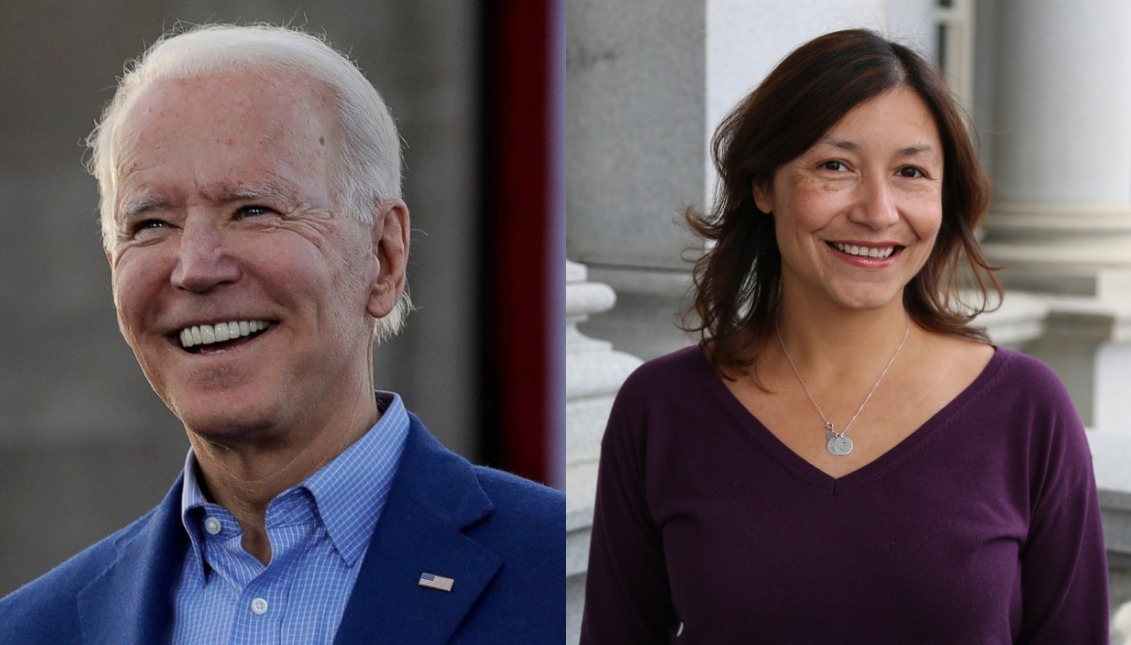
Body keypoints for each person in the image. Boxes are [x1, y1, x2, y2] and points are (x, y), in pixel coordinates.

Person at [0, 24, 564, 644]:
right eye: (152, 223)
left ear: (384, 257)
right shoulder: (33, 629)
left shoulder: (569, 577)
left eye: (253, 210)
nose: (195, 267)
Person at [581, 29, 1108, 643]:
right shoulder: (662, 407)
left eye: (911, 171)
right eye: (835, 166)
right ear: (763, 186)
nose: (879, 211)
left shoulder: (1026, 409)